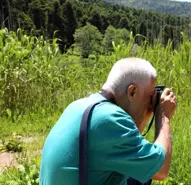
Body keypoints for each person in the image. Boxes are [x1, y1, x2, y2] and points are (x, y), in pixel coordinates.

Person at [39, 57, 177, 185]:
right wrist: (164, 116)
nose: (150, 102)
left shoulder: (80, 106)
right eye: (150, 95)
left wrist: (146, 114)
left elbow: (132, 148)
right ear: (132, 91)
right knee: (144, 176)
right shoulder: (109, 119)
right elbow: (160, 169)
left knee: (138, 174)